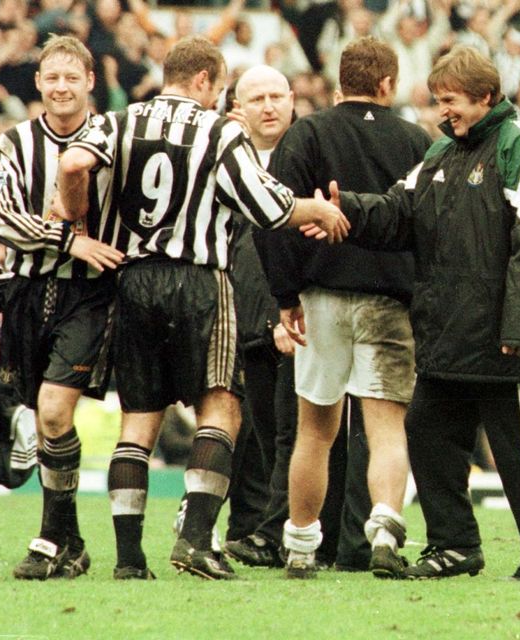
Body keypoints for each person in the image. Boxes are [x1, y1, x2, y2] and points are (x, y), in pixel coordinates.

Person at [57, 35, 349, 581]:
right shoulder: (219, 131)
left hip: (132, 278)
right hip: (199, 279)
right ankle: (195, 541)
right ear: (203, 81)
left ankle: (128, 557)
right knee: (220, 408)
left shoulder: (118, 122)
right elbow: (265, 207)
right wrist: (318, 210)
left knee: (138, 421)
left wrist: (77, 221)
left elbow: (72, 164)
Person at [326, 45, 520, 582]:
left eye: (451, 100)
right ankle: (455, 546)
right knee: (428, 432)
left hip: (505, 338)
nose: (443, 111)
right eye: (437, 101)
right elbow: (396, 213)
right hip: (447, 336)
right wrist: (346, 210)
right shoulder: (439, 155)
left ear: (486, 96)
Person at [258, 37, 431, 579]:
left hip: (321, 297)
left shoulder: (306, 133)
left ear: (340, 83)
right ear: (387, 85)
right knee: (385, 429)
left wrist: (286, 297)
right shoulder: (416, 141)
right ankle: (383, 531)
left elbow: (274, 217)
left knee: (315, 431)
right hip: (388, 301)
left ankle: (302, 544)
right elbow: (428, 229)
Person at [0, 35, 126, 581]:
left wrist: (68, 239)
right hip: (27, 292)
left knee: (52, 410)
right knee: (42, 418)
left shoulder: (114, 139)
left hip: (90, 294)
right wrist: (66, 239)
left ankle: (47, 541)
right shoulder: (15, 142)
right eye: (52, 78)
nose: (61, 87)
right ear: (39, 84)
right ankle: (72, 542)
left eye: (72, 77)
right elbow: (0, 218)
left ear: (91, 82)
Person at [222, 65, 297, 566]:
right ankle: (249, 529)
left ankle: (281, 533)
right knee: (247, 434)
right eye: (257, 98)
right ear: (236, 109)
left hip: (291, 322)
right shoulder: (221, 161)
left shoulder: (307, 157)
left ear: (292, 101)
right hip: (232, 319)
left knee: (289, 433)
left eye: (276, 96)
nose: (268, 106)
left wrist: (278, 315)